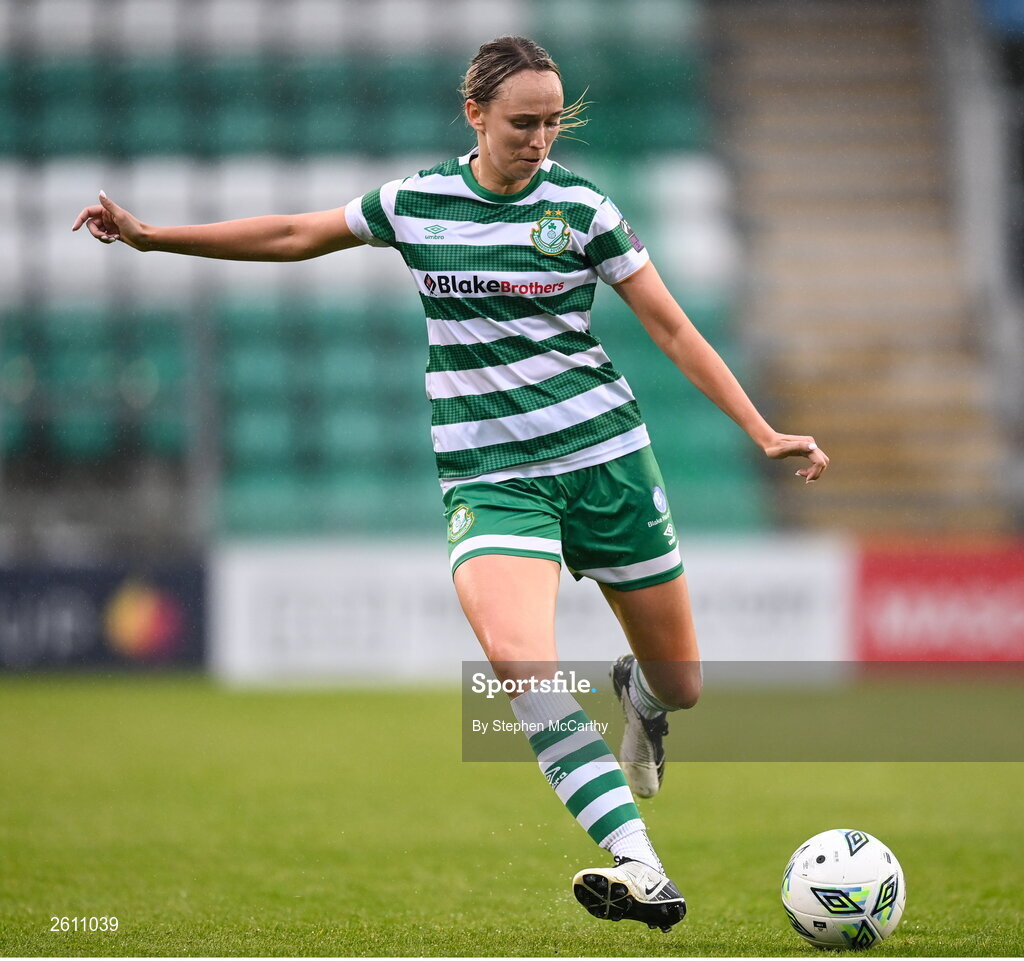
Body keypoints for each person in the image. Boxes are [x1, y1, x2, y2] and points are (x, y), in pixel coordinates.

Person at [74, 36, 829, 933]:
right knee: (519, 663)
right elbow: (292, 233)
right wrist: (155, 237)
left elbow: (671, 329)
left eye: (552, 123)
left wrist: (761, 429)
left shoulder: (583, 211)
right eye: (522, 123)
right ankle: (639, 865)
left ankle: (642, 700)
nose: (540, 139)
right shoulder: (418, 202)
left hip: (607, 463)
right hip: (493, 479)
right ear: (474, 115)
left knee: (684, 681)